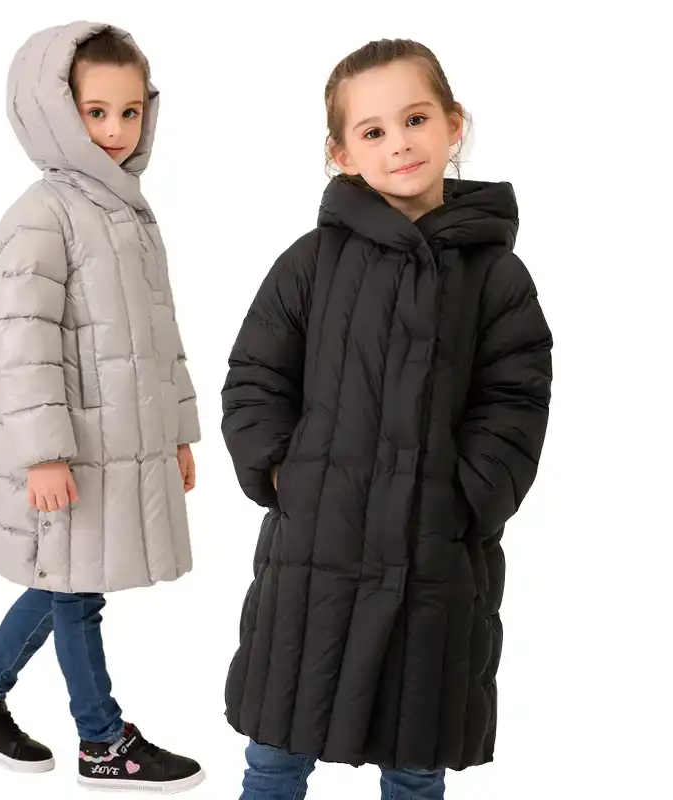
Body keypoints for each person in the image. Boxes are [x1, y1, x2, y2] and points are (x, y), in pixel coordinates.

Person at [221, 38, 553, 799]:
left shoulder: (496, 275)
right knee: (276, 755)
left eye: (415, 119)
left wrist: (466, 496)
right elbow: (256, 374)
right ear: (341, 154)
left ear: (453, 124)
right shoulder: (311, 262)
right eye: (373, 130)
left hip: (433, 561)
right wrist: (286, 471)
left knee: (414, 762)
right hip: (315, 554)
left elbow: (516, 398)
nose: (399, 142)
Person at [0, 21, 205, 793]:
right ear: (55, 110)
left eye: (130, 111)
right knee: (75, 593)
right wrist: (44, 454)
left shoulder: (130, 215)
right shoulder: (41, 216)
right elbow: (22, 347)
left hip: (117, 447)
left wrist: (176, 432)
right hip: (72, 454)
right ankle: (102, 740)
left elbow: (159, 338)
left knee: (66, 584)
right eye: (96, 112)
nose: (116, 129)